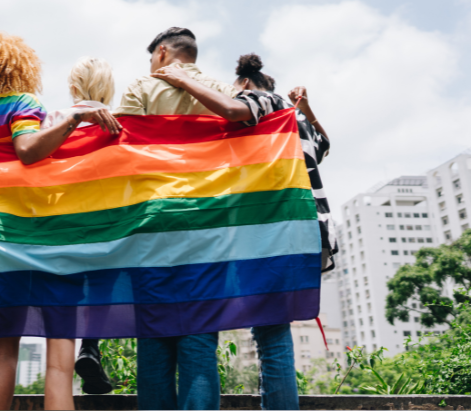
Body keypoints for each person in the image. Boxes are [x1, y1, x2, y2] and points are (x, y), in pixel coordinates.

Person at [0, 32, 121, 411]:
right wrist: (76, 116)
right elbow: (28, 150)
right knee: (3, 348)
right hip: (5, 236)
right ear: (22, 70)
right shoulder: (23, 103)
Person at [151, 53, 336, 410]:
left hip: (273, 231)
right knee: (274, 332)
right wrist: (308, 109)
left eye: (238, 91)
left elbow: (232, 111)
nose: (236, 97)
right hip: (309, 233)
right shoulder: (297, 119)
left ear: (247, 85)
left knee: (237, 326)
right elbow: (326, 143)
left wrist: (183, 80)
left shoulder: (268, 101)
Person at [114, 27, 234, 410]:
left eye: (152, 57)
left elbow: (119, 150)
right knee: (198, 340)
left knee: (153, 339)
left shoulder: (141, 89)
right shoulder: (223, 92)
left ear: (162, 53)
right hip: (209, 224)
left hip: (152, 225)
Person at [42, 56, 117, 395]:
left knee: (67, 294)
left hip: (62, 220)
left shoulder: (55, 118)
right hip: (106, 219)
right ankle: (91, 346)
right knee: (102, 287)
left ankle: (67, 362)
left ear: (73, 88)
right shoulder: (119, 123)